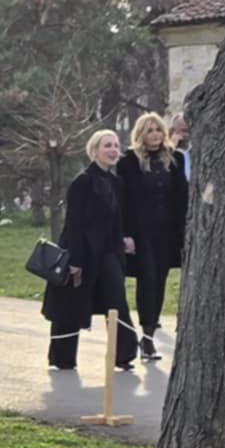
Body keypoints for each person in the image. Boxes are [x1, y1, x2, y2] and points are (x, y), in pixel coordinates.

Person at [44, 129, 137, 372]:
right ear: (94, 151)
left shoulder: (116, 183)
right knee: (71, 304)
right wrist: (74, 260)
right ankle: (62, 358)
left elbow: (118, 219)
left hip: (108, 252)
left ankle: (124, 355)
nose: (113, 150)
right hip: (82, 251)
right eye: (107, 145)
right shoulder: (82, 182)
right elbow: (74, 223)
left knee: (117, 302)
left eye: (116, 145)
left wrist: (124, 240)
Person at [117, 111, 188, 362]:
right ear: (141, 134)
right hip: (141, 233)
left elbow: (182, 198)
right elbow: (122, 201)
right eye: (150, 130)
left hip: (167, 234)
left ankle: (149, 332)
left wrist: (184, 234)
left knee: (159, 281)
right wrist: (125, 234)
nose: (155, 135)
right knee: (147, 280)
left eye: (158, 130)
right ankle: (146, 337)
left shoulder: (175, 159)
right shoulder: (128, 161)